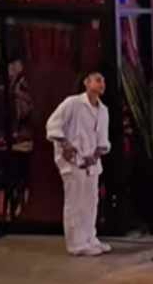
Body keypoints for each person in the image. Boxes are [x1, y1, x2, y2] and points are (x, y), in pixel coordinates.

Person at [44, 71, 110, 256]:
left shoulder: (103, 110)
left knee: (91, 201)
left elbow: (102, 139)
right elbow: (53, 124)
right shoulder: (72, 103)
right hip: (73, 161)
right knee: (75, 202)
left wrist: (96, 154)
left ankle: (90, 238)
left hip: (91, 163)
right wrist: (65, 144)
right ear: (86, 83)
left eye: (103, 80)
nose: (102, 83)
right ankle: (76, 243)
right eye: (98, 80)